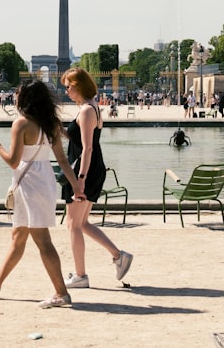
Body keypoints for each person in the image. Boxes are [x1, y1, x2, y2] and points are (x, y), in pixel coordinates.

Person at [0, 80, 80, 309]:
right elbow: (63, 160)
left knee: (43, 241)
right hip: (45, 181)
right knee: (18, 235)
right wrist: (76, 186)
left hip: (29, 182)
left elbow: (13, 161)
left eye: (17, 93)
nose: (15, 96)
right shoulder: (51, 123)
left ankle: (62, 293)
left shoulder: (21, 123)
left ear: (26, 99)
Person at [60, 67, 133, 291]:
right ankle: (118, 256)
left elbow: (88, 148)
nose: (66, 91)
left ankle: (81, 275)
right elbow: (80, 141)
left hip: (85, 171)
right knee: (81, 223)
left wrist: (80, 180)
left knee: (73, 224)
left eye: (68, 86)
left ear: (79, 85)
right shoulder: (89, 108)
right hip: (90, 168)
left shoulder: (86, 111)